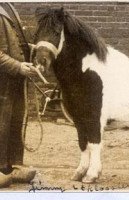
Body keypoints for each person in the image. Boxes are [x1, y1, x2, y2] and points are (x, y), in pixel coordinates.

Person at [0, 3, 37, 188]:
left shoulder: (8, 6)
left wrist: (29, 47)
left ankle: (11, 166)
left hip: (14, 79)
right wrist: (18, 66)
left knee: (15, 121)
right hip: (3, 80)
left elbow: (13, 42)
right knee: (1, 123)